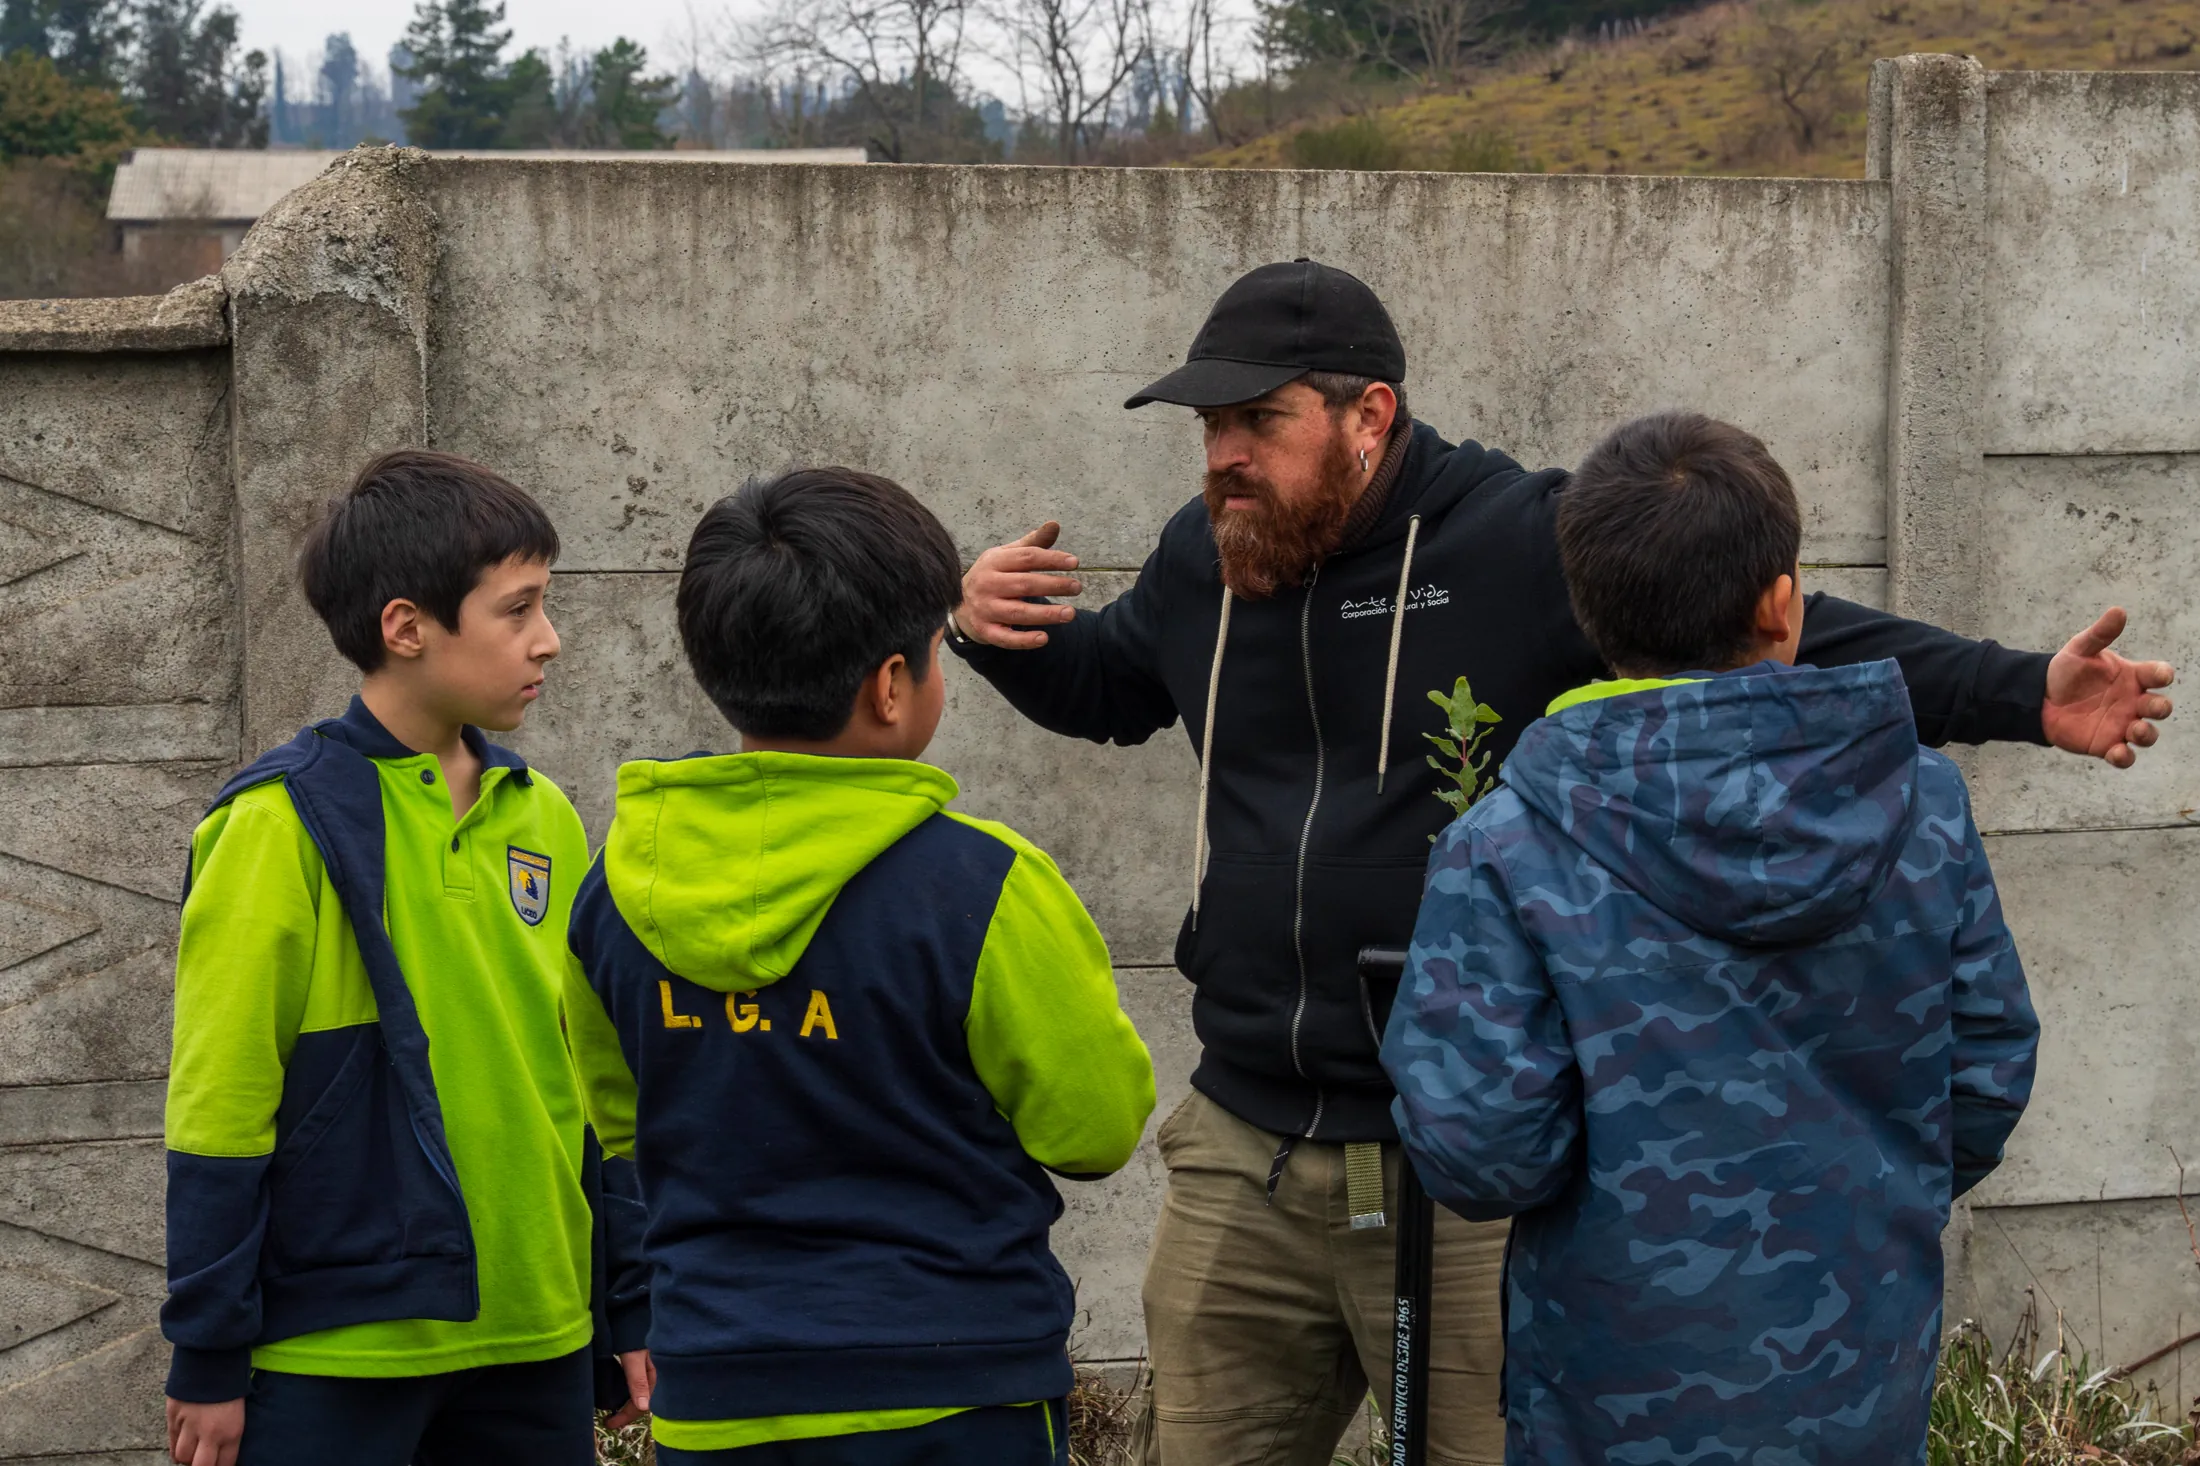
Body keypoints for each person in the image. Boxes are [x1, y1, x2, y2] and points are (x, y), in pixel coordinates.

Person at [946, 260, 2171, 1465]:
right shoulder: (1207, 551)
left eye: (1259, 420)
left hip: (1466, 1178)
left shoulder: (1511, 535)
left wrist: (2022, 692)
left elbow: (1762, 625)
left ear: (1369, 414)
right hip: (1243, 1140)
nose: (1224, 454)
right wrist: (990, 632)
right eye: (1211, 425)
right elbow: (1111, 685)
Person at [1381, 411, 2042, 1463]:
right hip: (1858, 1373)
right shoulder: (1921, 801)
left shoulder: (1506, 841)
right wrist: (1851, 1198)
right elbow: (1986, 1072)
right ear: (1783, 603)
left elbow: (1480, 1147)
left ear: (1587, 608)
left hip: (1606, 1395)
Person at [560, 467, 1157, 1465]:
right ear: (890, 683)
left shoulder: (614, 892)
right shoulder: (983, 883)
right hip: (956, 1393)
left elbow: (621, 1122)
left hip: (717, 1389)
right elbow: (1094, 1127)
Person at [160, 450, 651, 1466]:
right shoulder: (277, 821)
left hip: (540, 1328)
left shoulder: (545, 815)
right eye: (516, 609)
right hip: (338, 1344)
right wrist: (208, 1348)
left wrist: (625, 1300)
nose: (548, 640)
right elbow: (220, 1099)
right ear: (406, 626)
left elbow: (591, 1086)